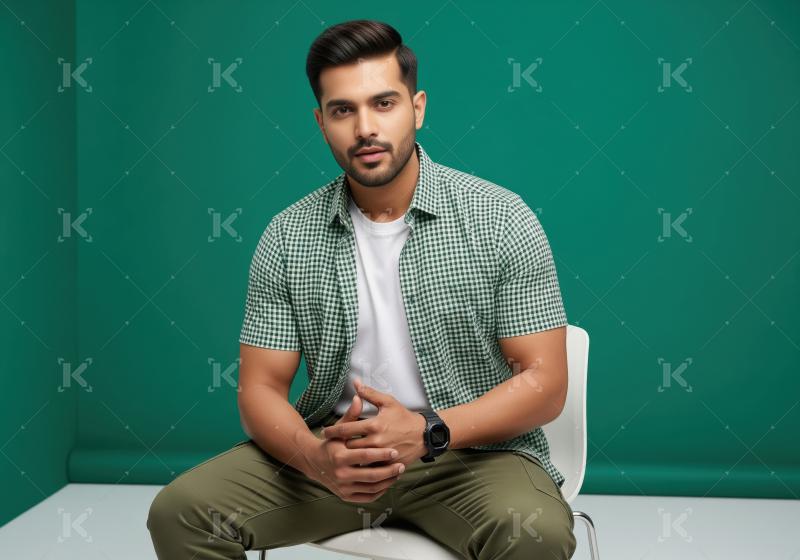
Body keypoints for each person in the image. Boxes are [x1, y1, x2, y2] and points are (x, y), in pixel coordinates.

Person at [147, 18, 576, 560]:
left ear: (417, 108)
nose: (365, 128)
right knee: (181, 512)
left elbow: (546, 381)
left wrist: (428, 432)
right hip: (336, 456)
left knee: (533, 532)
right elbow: (258, 388)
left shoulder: (500, 219)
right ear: (321, 122)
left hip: (470, 456)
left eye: (384, 103)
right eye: (343, 110)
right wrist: (312, 456)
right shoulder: (287, 236)